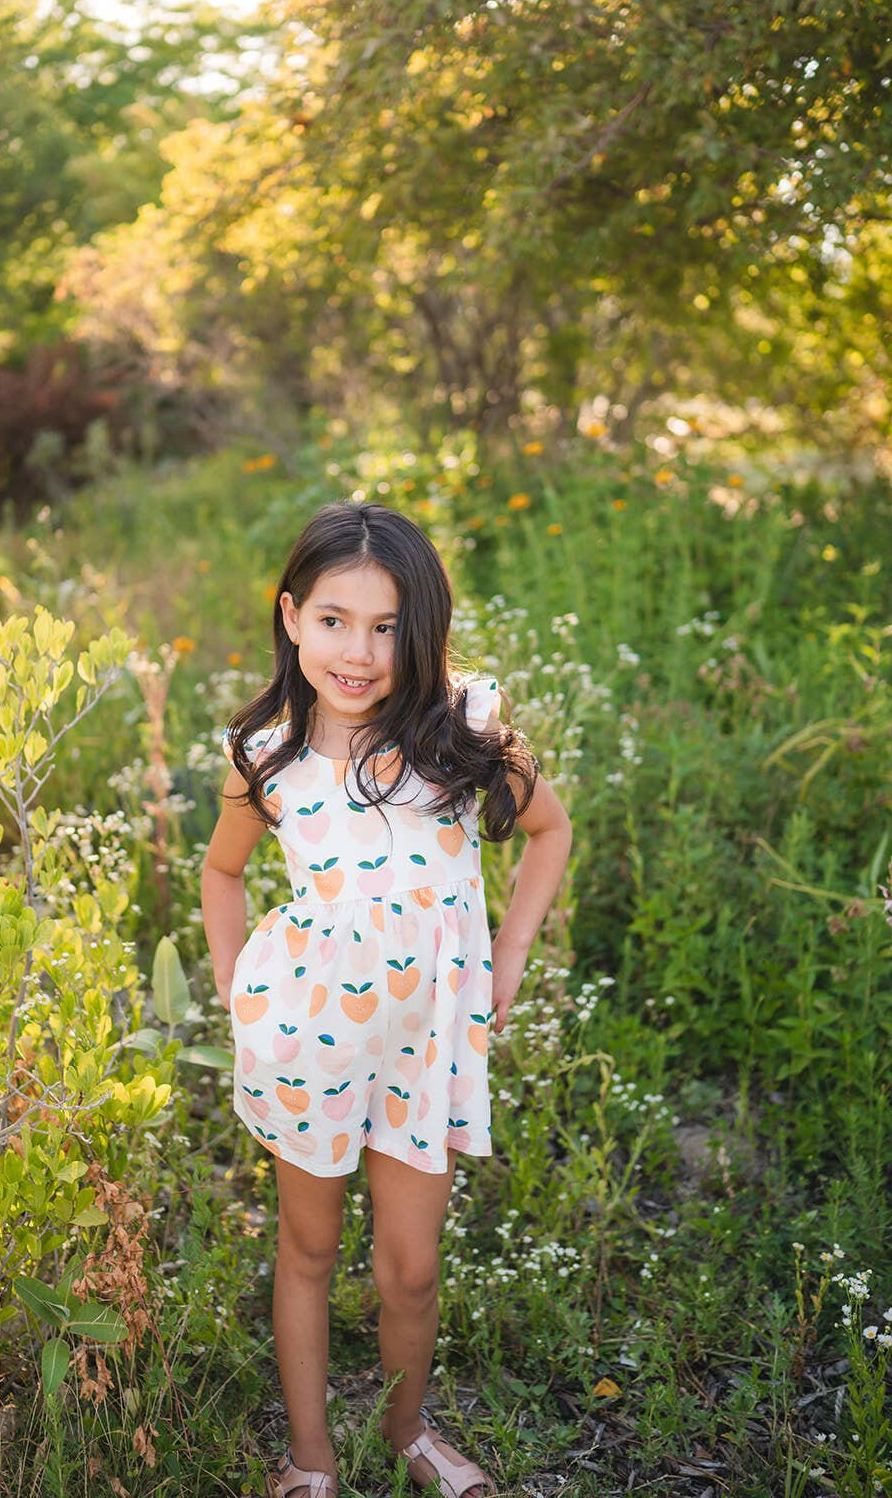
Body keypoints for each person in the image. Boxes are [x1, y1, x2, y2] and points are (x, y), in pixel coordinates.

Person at [201, 501, 573, 1498]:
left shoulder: (463, 729)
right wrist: (241, 991)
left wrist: (508, 954)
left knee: (409, 1268)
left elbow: (551, 831)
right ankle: (311, 1456)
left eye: (384, 627)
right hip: (310, 1039)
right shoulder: (269, 758)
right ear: (291, 617)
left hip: (427, 1049)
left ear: (421, 630)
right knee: (309, 1248)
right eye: (333, 619)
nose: (358, 652)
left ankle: (409, 1430)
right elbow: (222, 876)